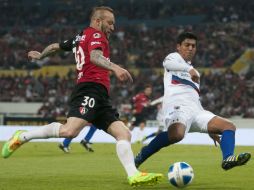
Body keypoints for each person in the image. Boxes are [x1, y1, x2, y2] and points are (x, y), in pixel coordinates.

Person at [1, 6, 162, 186]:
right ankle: (23, 136)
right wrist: (116, 67)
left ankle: (133, 175)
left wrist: (41, 56)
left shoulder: (80, 36)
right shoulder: (95, 35)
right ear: (97, 21)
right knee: (69, 131)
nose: (113, 27)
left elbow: (56, 46)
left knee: (123, 133)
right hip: (89, 89)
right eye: (110, 23)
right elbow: (94, 56)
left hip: (100, 95)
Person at [134, 31, 251, 170]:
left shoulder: (195, 73)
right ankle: (143, 154)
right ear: (178, 46)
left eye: (193, 46)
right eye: (187, 45)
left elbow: (194, 98)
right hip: (176, 107)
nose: (190, 48)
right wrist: (189, 68)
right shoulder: (174, 58)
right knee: (177, 135)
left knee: (229, 126)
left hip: (196, 111)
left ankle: (227, 159)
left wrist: (209, 129)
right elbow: (167, 62)